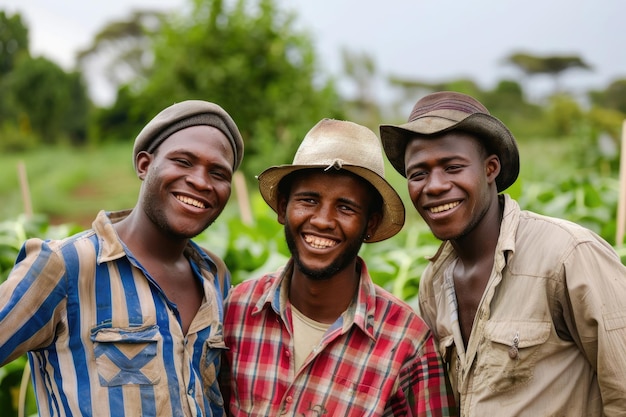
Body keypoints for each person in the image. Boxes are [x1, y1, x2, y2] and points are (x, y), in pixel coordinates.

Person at [379, 91, 626, 416]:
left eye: (453, 167)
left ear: (490, 169)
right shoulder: (433, 282)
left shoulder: (567, 254)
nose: (434, 186)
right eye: (418, 174)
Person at [0, 100, 244, 417]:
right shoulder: (66, 265)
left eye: (218, 173)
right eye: (183, 162)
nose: (200, 181)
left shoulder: (216, 276)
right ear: (144, 165)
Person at [221, 118, 457, 416]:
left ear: (369, 224)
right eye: (308, 200)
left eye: (346, 207)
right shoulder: (237, 312)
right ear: (283, 208)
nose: (322, 220)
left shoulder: (407, 344)